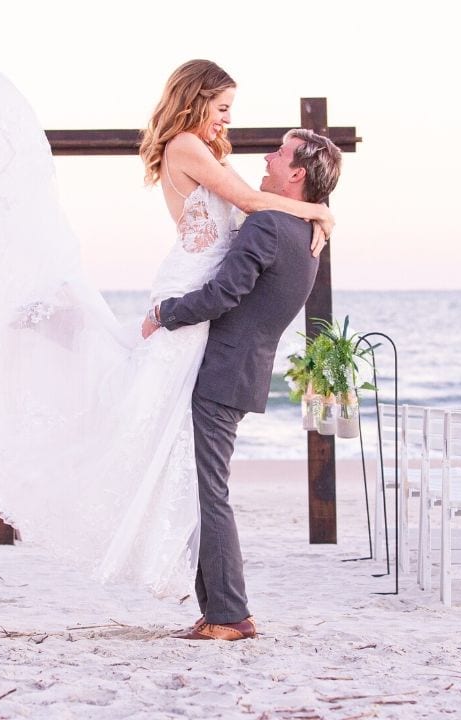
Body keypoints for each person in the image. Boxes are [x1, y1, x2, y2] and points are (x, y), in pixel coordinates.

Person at [0, 52, 337, 605]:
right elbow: (247, 203)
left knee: (134, 403)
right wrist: (319, 213)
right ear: (194, 99)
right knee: (122, 392)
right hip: (188, 287)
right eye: (222, 109)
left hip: (194, 297)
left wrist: (310, 212)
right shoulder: (187, 147)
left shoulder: (208, 152)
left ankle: (216, 598)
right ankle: (13, 325)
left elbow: (251, 213)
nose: (227, 123)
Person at [142, 129, 343, 640]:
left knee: (209, 493)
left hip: (220, 373)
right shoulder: (305, 234)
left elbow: (221, 294)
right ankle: (219, 612)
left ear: (296, 173)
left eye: (279, 152)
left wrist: (166, 313)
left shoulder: (271, 226)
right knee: (205, 490)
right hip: (242, 371)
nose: (268, 157)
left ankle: (230, 615)